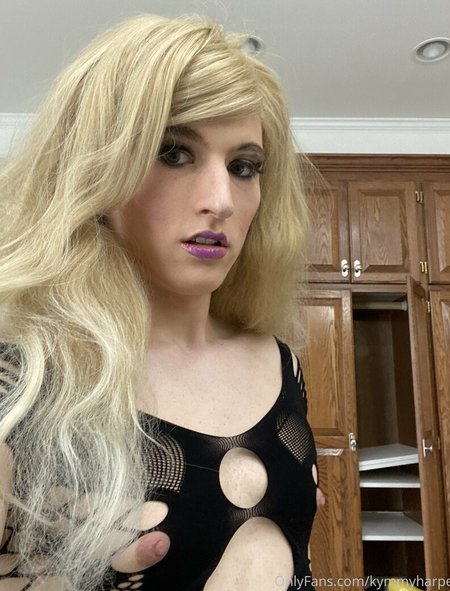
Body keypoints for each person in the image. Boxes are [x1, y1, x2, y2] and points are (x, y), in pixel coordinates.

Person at [0, 14, 323, 591]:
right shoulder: (21, 383)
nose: (221, 200)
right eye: (174, 153)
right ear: (94, 172)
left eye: (243, 167)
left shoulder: (281, 363)